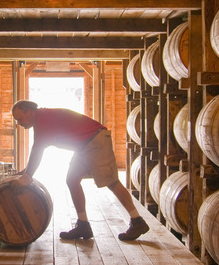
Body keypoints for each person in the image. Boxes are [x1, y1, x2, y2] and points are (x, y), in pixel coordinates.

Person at [10, 99, 149, 241]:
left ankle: (137, 221)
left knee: (111, 182)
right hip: (84, 145)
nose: (19, 123)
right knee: (72, 180)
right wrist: (25, 173)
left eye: (20, 119)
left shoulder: (43, 120)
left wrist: (27, 177)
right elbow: (37, 150)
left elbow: (37, 150)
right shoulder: (42, 118)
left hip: (95, 141)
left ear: (30, 111)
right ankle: (83, 225)